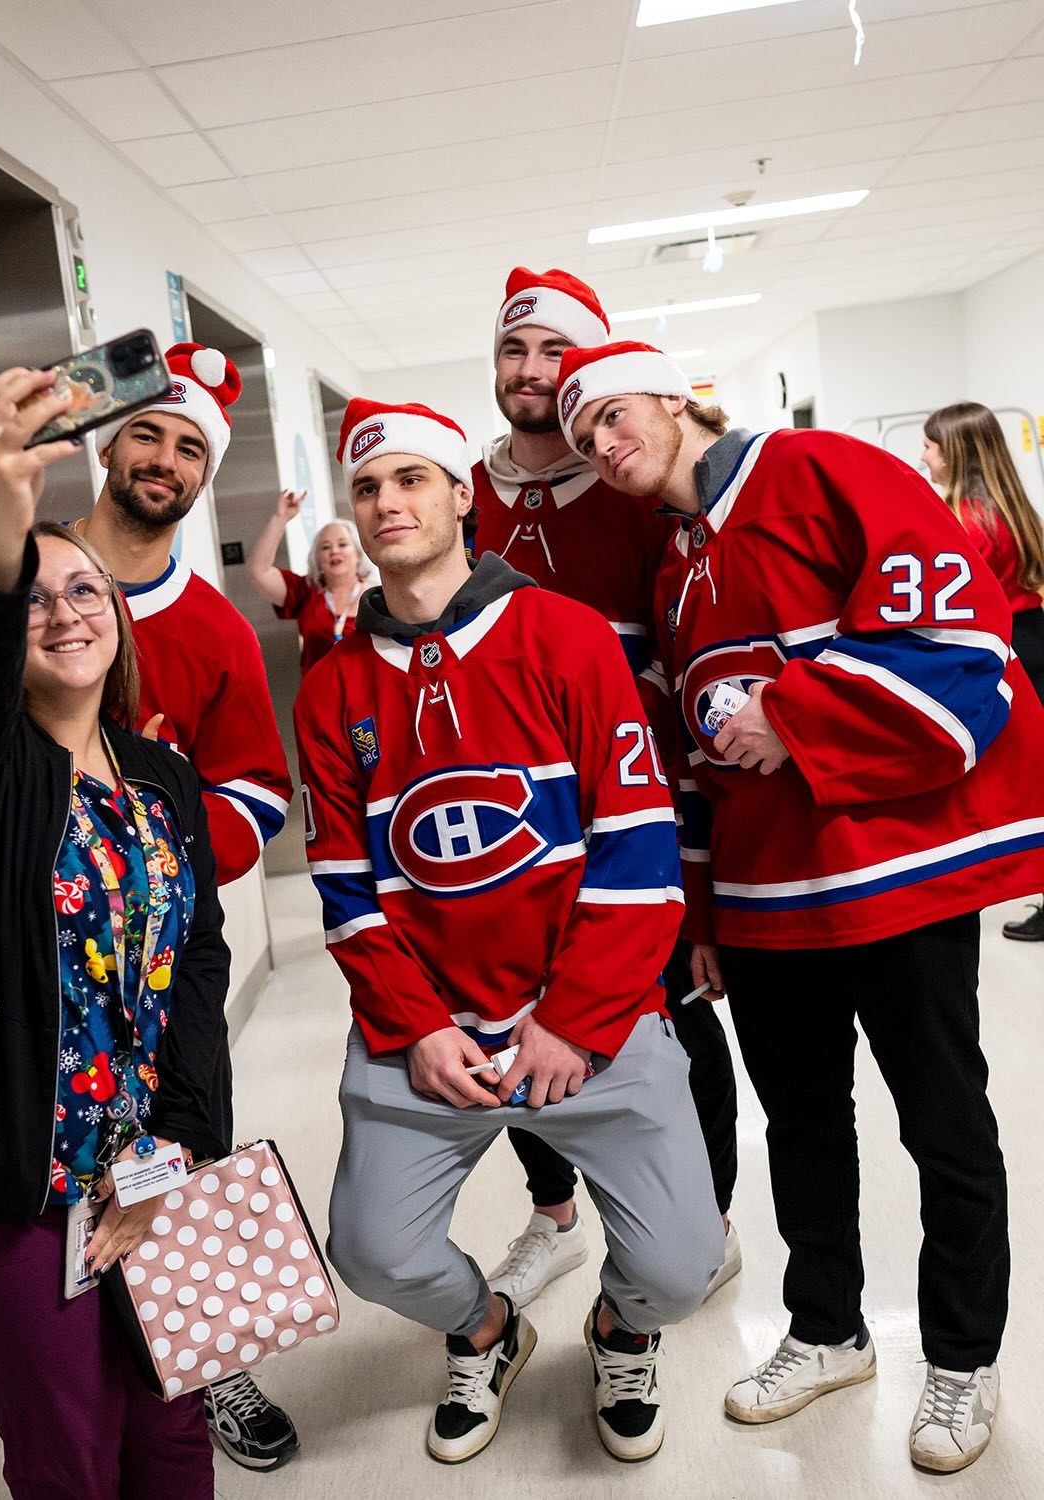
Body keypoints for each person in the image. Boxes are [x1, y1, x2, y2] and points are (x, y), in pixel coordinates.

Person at [558, 339, 1044, 1474]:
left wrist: (795, 712)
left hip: (899, 883)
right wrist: (703, 914)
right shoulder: (675, 565)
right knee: (803, 1128)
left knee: (944, 1124)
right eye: (584, 437)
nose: (605, 445)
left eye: (616, 416)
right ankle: (827, 1330)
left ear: (673, 398)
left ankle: (962, 1357)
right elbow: (689, 757)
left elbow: (956, 640)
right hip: (765, 901)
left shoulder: (823, 470)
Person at [0, 342, 298, 1472]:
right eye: (33, 596)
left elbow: (196, 971)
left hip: (137, 1161)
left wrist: (177, 1154)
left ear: (121, 619)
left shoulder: (161, 782)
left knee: (172, 1425)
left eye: (86, 591)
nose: (62, 611)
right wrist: (3, 505)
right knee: (75, 1451)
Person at [295, 397, 723, 1466]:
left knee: (683, 1268)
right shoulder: (332, 687)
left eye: (411, 479)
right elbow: (346, 891)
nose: (387, 503)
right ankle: (486, 1329)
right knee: (371, 1251)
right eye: (367, 488)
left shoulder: (565, 637)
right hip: (430, 1033)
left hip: (588, 1021)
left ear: (460, 496)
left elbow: (638, 852)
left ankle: (621, 1330)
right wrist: (418, 1028)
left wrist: (572, 1020)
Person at [472, 266, 741, 1306]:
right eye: (515, 349)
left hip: (637, 814)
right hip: (509, 829)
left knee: (671, 1020)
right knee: (508, 1015)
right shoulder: (458, 494)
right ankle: (554, 1218)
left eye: (555, 350)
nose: (532, 369)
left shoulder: (635, 488)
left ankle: (706, 1219)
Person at [923, 401, 1044, 941]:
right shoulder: (1009, 507)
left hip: (1008, 651)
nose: (923, 457)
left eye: (929, 446)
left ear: (954, 453)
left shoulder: (965, 523)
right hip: (1034, 637)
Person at [244, 487, 373, 674]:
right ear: (317, 559)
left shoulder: (377, 598)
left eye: (343, 544)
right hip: (318, 691)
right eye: (325, 547)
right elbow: (258, 571)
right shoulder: (305, 591)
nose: (334, 551)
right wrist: (280, 519)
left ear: (358, 554)